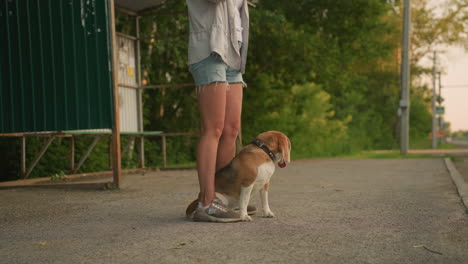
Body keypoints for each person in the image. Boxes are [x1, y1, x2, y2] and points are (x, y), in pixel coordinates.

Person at [186, 0, 249, 222]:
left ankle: (222, 195)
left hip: (233, 50)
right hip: (209, 49)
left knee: (231, 129)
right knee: (213, 128)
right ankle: (206, 202)